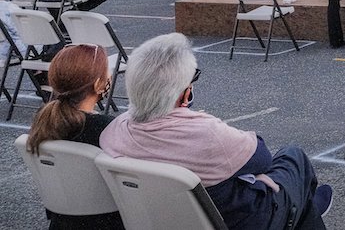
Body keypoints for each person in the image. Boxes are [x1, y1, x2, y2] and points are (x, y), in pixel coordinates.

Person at [99, 33, 332, 229]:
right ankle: (303, 208)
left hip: (167, 217)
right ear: (184, 93)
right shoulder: (206, 134)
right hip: (237, 220)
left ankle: (304, 208)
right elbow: (262, 158)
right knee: (294, 157)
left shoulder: (116, 132)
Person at [26, 44, 124, 230]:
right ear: (98, 84)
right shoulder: (107, 128)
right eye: (107, 71)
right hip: (108, 222)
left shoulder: (43, 121)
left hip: (61, 221)